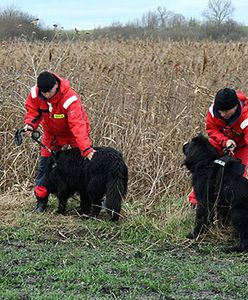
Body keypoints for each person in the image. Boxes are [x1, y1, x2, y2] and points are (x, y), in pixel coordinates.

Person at [23, 71, 95, 212]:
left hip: (75, 135)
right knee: (45, 168)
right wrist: (30, 125)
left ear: (56, 85)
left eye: (49, 92)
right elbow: (33, 112)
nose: (46, 95)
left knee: (83, 169)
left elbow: (77, 125)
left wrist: (86, 149)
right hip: (52, 135)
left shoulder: (70, 98)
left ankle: (90, 202)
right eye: (43, 93)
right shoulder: (35, 93)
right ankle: (41, 201)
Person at [188, 87, 248, 206]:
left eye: (226, 111)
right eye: (220, 110)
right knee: (204, 163)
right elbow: (212, 130)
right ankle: (196, 201)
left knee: (242, 174)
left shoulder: (246, 116)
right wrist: (225, 141)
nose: (222, 114)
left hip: (243, 146)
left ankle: (234, 205)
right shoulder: (213, 111)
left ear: (235, 107)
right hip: (221, 142)